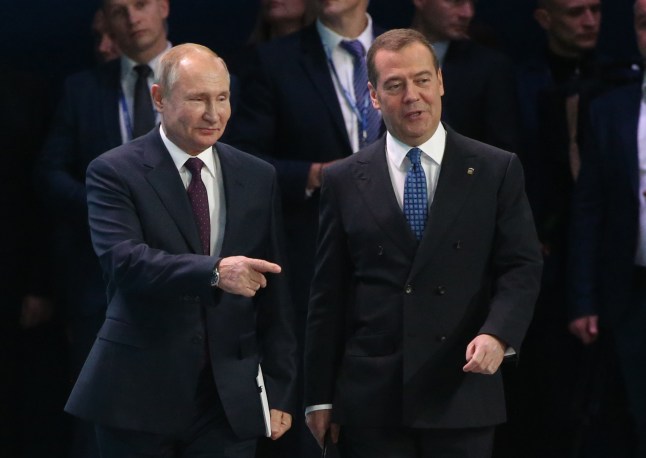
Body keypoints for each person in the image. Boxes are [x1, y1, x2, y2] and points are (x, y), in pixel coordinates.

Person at [303, 28, 542, 458]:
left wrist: (497, 334)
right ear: (374, 97)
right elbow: (328, 295)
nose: (412, 95)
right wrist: (318, 395)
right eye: (394, 85)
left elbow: (521, 267)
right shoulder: (343, 179)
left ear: (441, 82)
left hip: (461, 391)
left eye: (422, 80)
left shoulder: (494, 169)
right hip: (372, 400)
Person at [64, 43, 297, 458]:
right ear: (159, 99)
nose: (214, 114)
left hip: (229, 398)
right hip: (137, 395)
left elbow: (275, 289)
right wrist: (214, 272)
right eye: (197, 99)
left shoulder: (257, 175)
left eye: (222, 98)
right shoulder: (114, 171)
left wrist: (280, 388)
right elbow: (124, 261)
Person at [225, 2, 383, 455]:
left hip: (404, 264)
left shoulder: (408, 50)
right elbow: (245, 159)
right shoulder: (274, 60)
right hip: (313, 259)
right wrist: (314, 174)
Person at [35, 0, 172, 454]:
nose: (132, 18)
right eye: (119, 9)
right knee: (99, 426)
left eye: (141, 5)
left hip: (191, 277)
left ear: (165, 7)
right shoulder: (82, 89)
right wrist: (104, 210)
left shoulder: (202, 76)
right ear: (106, 22)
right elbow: (50, 173)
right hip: (102, 284)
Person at [568, 1, 646, 455]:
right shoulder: (610, 109)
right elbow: (589, 210)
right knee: (636, 413)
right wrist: (582, 299)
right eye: (643, 23)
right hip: (632, 291)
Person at [411, 0, 520, 152]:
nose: (468, 13)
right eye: (455, 2)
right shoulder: (383, 56)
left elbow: (502, 153)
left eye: (472, 3)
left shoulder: (490, 68)